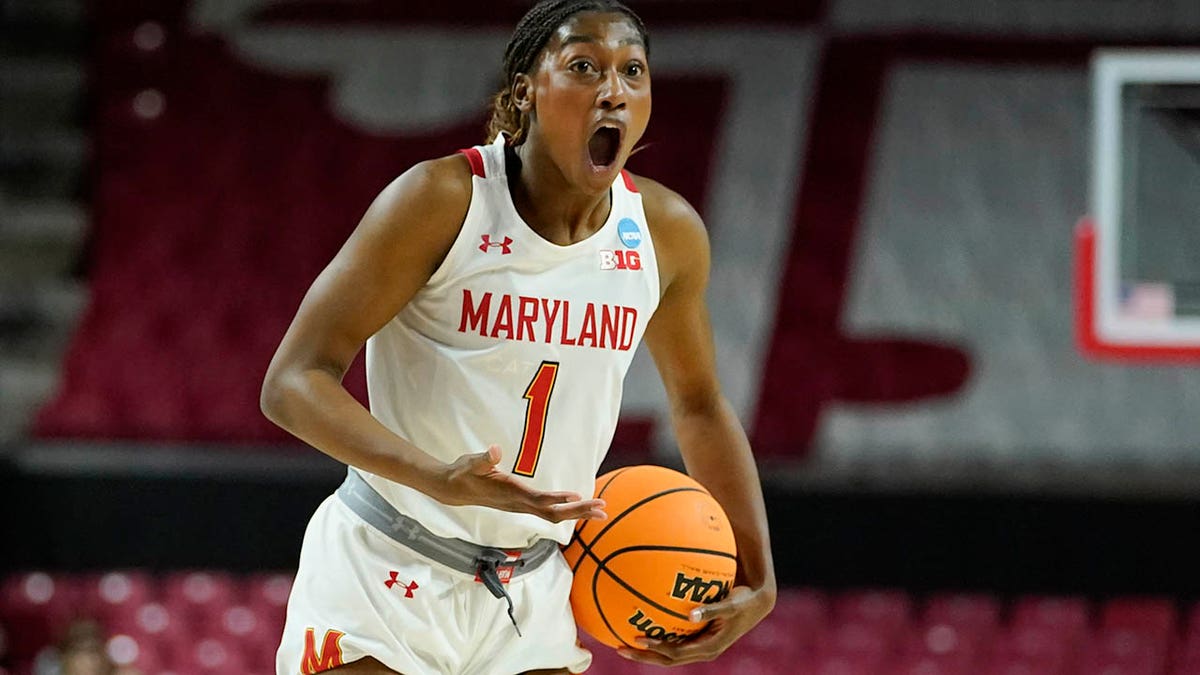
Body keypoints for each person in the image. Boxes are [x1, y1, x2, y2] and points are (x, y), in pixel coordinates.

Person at [261, 1, 775, 673]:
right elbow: (291, 381)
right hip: (388, 562)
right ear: (525, 90)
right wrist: (439, 477)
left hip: (531, 586)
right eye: (584, 66)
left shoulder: (664, 232)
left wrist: (758, 574)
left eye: (632, 71)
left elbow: (700, 405)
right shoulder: (440, 200)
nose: (612, 89)